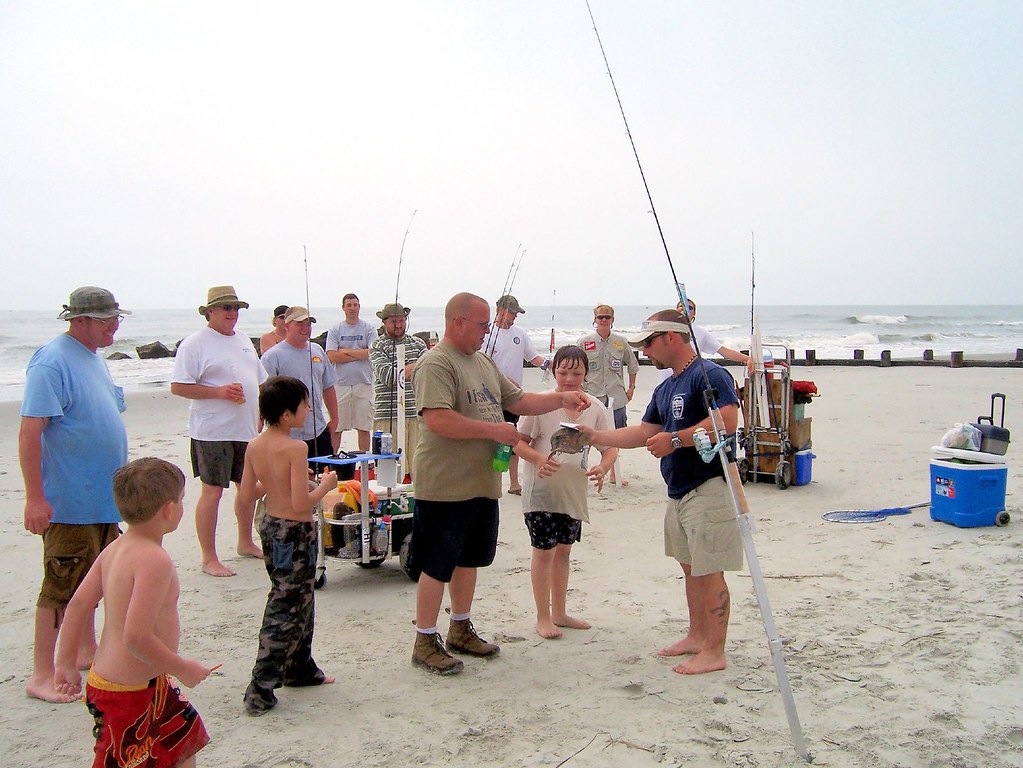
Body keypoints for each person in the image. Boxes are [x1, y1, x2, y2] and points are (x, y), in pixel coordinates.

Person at [410, 292, 590, 675]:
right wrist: (496, 430)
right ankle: (425, 640)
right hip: (444, 485)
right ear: (458, 322)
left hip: (481, 483)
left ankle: (460, 628)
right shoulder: (436, 363)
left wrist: (563, 396)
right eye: (481, 323)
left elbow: (522, 401)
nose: (487, 330)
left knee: (469, 559)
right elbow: (438, 420)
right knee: (436, 564)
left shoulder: (484, 363)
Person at [577, 309, 743, 675]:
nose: (645, 352)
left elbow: (726, 422)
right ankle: (697, 636)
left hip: (710, 484)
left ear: (671, 337)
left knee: (710, 568)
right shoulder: (666, 386)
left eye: (648, 343)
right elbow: (642, 432)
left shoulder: (709, 374)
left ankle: (715, 650)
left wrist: (676, 439)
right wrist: (595, 437)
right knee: (690, 567)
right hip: (678, 490)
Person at [53, 458, 212, 767]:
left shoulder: (115, 548)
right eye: (181, 500)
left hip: (143, 685)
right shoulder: (154, 560)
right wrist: (183, 667)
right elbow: (136, 637)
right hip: (129, 693)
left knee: (182, 741)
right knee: (127, 759)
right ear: (169, 510)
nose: (181, 506)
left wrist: (65, 663)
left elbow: (78, 605)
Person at [19, 286, 130, 703]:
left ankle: (86, 650)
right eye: (107, 319)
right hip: (69, 500)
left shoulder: (93, 358)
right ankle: (41, 673)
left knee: (92, 582)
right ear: (78, 320)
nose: (115, 326)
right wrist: (35, 498)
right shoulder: (51, 362)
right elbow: (31, 431)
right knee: (60, 588)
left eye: (116, 318)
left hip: (103, 498)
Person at [239, 376, 338, 715]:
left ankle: (299, 667)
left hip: (270, 527)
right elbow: (300, 504)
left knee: (301, 598)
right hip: (295, 532)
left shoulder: (255, 445)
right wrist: (324, 486)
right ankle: (261, 685)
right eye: (303, 404)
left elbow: (247, 494)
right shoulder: (296, 448)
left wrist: (279, 483)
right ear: (285, 414)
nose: (309, 408)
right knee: (285, 606)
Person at [514, 345, 617, 639]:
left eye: (576, 373)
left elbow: (609, 448)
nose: (569, 379)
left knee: (564, 552)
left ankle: (560, 612)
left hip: (573, 494)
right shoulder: (541, 404)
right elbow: (518, 442)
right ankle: (542, 617)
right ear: (553, 372)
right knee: (543, 552)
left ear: (586, 373)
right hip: (541, 493)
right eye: (562, 372)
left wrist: (604, 467)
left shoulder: (595, 408)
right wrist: (538, 460)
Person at [170, 285, 267, 577]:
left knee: (246, 488)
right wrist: (220, 392)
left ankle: (245, 541)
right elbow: (178, 386)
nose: (232, 314)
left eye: (236, 308)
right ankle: (209, 557)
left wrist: (262, 412)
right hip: (212, 431)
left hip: (246, 429)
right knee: (212, 492)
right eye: (226, 308)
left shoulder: (242, 340)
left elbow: (259, 380)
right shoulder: (195, 343)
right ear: (210, 311)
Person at [481, 294, 547, 495]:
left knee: (512, 437)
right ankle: (486, 481)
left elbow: (533, 357)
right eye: (512, 312)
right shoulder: (487, 334)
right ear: (500, 309)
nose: (515, 317)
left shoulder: (520, 333)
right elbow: (481, 363)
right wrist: (507, 381)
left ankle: (513, 483)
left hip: (513, 398)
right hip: (489, 395)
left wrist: (549, 364)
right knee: (488, 440)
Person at [260, 306, 338, 463]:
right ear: (287, 325)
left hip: (318, 430)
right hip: (286, 434)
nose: (305, 328)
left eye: (308, 324)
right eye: (300, 324)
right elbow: (264, 396)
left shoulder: (317, 350)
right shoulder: (272, 356)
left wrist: (335, 418)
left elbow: (328, 386)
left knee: (324, 480)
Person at [577, 303, 639, 486]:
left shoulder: (620, 342)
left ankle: (613, 474)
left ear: (613, 320)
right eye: (600, 317)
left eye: (607, 317)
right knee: (584, 436)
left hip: (616, 397)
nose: (603, 320)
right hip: (591, 396)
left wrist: (632, 387)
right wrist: (578, 389)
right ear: (594, 319)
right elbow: (576, 366)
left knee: (616, 435)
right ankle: (581, 472)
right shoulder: (584, 342)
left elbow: (633, 365)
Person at [369, 302, 427, 478]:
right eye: (394, 321)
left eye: (402, 320)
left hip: (415, 413)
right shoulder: (377, 346)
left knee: (419, 468)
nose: (399, 325)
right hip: (387, 415)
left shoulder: (417, 343)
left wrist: (405, 370)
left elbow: (430, 370)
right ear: (384, 322)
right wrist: (416, 367)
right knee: (389, 471)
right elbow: (389, 377)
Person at [325, 293, 376, 453]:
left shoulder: (369, 328)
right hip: (340, 384)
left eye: (355, 305)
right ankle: (334, 460)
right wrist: (358, 353)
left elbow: (371, 352)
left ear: (359, 307)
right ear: (343, 308)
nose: (352, 308)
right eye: (349, 305)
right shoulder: (335, 330)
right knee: (337, 426)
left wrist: (346, 351)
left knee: (363, 426)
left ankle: (366, 461)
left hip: (364, 383)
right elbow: (332, 356)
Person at [678, 298, 753, 374]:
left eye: (689, 308)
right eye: (682, 306)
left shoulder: (700, 333)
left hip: (688, 379)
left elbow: (724, 351)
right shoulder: (667, 329)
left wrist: (747, 359)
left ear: (694, 313)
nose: (685, 310)